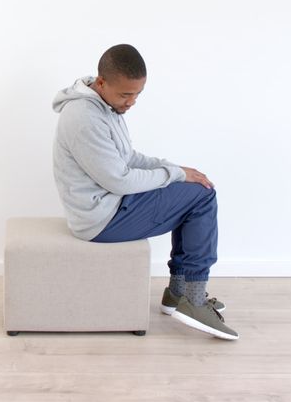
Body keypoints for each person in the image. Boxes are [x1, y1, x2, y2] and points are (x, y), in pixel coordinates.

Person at [51, 43, 238, 341]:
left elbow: (128, 158)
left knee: (194, 188)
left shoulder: (105, 106)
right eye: (126, 94)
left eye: (138, 94)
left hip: (112, 205)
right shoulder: (84, 117)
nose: (132, 102)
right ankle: (192, 298)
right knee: (202, 197)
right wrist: (175, 176)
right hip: (102, 218)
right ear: (101, 83)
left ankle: (179, 295)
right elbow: (120, 180)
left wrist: (175, 169)